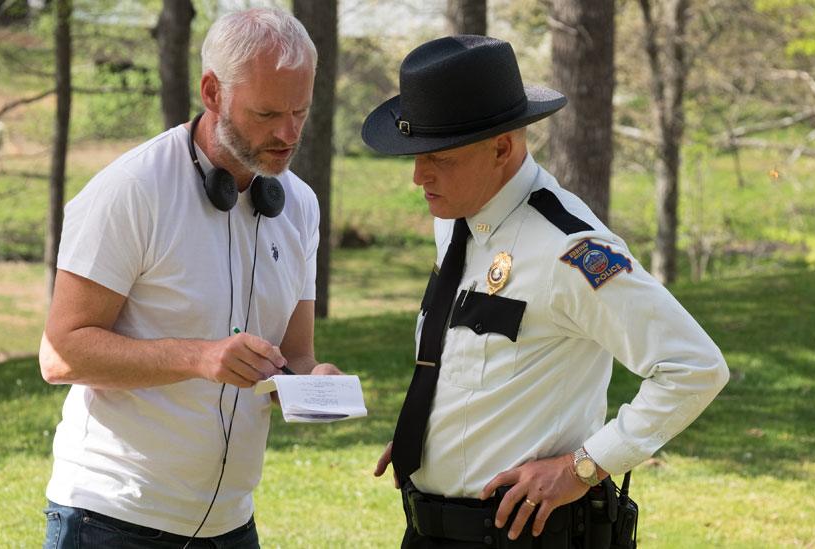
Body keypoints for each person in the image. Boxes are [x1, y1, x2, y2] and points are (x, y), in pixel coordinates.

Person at [366, 35, 730, 548]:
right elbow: (478, 361)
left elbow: (694, 367)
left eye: (439, 157)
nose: (418, 176)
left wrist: (583, 468)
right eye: (416, 154)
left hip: (525, 535)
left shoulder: (571, 248)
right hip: (427, 529)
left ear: (501, 148)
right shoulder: (457, 222)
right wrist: (430, 434)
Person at [38, 8, 340, 548]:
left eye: (301, 110)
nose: (288, 133)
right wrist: (199, 358)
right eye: (268, 112)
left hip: (231, 526)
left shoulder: (301, 205)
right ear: (212, 91)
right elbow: (60, 355)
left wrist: (314, 384)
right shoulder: (132, 190)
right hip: (111, 521)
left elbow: (295, 352)